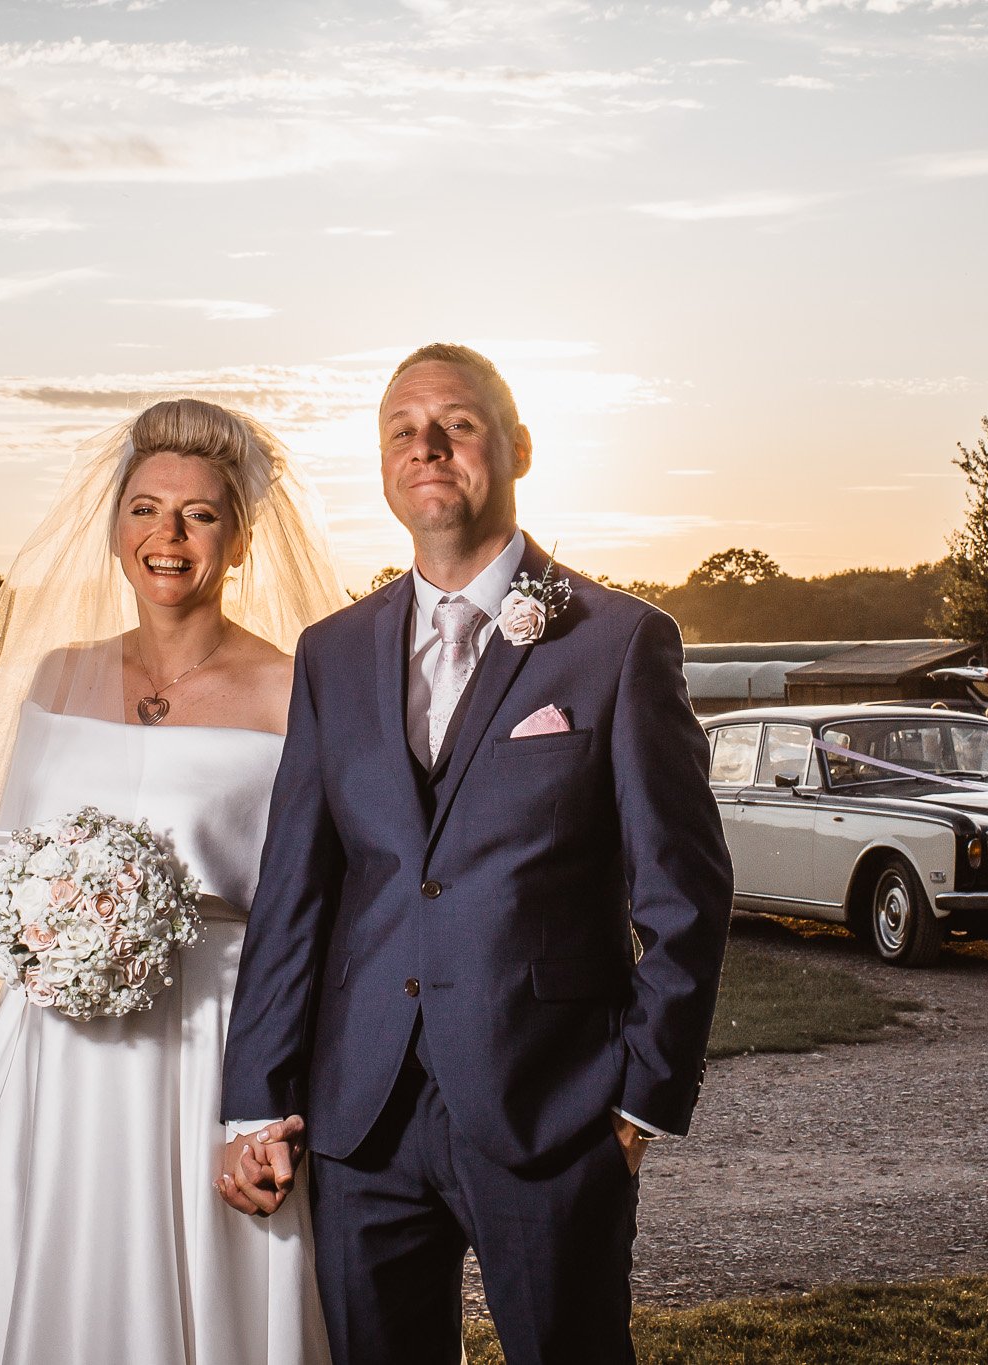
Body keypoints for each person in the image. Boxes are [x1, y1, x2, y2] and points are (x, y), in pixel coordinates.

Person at [217, 344, 734, 1365]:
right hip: (360, 1117)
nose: (427, 446)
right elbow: (295, 894)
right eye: (401, 430)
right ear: (381, 464)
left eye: (454, 422)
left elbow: (686, 895)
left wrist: (636, 1099)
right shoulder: (331, 652)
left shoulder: (618, 642)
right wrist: (255, 1098)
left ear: (516, 447)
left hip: (551, 1110)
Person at [0, 398, 347, 1365]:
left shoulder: (295, 689)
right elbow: (13, 865)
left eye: (199, 514)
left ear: (239, 539)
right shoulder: (54, 678)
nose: (167, 536)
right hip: (59, 1047)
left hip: (215, 1039)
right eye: (144, 508)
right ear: (115, 525)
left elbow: (321, 900)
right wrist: (57, 936)